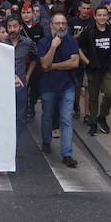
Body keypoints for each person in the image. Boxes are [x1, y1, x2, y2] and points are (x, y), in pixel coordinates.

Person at [38, 12, 79, 167]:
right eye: (57, 23)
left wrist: (54, 66)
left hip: (67, 86)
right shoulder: (44, 42)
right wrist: (54, 47)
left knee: (66, 119)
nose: (60, 26)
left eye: (63, 23)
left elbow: (74, 63)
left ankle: (67, 154)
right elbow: (44, 64)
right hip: (48, 86)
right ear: (51, 25)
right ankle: (46, 141)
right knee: (47, 116)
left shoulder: (72, 42)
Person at [79, 5, 111, 135]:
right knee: (93, 97)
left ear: (108, 16)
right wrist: (88, 62)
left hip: (108, 69)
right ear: (95, 16)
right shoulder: (88, 31)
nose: (102, 17)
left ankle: (102, 116)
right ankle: (93, 123)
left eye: (105, 15)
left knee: (110, 94)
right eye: (99, 15)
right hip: (93, 70)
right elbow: (79, 48)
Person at [7, 16, 36, 153]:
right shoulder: (2, 42)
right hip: (4, 87)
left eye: (15, 26)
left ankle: (15, 143)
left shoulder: (28, 43)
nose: (12, 29)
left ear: (20, 27)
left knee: (20, 117)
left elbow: (35, 59)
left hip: (20, 87)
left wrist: (28, 75)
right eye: (10, 27)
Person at [68, 0, 95, 120]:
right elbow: (68, 38)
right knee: (77, 85)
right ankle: (76, 108)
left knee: (88, 85)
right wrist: (78, 36)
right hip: (75, 54)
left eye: (88, 8)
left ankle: (87, 113)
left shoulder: (93, 21)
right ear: (79, 8)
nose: (86, 10)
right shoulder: (72, 21)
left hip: (89, 55)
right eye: (83, 8)